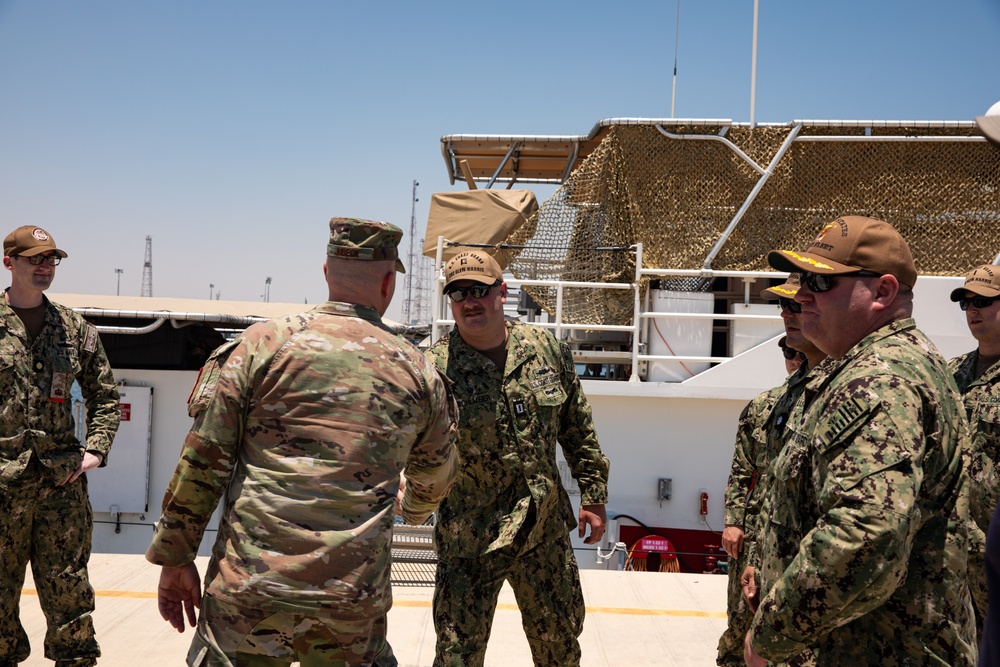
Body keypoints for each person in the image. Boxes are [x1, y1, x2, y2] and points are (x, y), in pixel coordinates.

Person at [145, 218, 458, 666]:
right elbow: (435, 476)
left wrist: (175, 558)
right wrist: (414, 509)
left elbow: (203, 461)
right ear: (389, 282)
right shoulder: (418, 370)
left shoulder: (260, 345)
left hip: (248, 591)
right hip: (349, 600)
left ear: (327, 272)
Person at [744, 216, 977, 666]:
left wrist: (773, 631)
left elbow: (866, 531)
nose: (802, 293)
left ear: (883, 293)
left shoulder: (880, 380)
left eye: (821, 281)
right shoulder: (884, 365)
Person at [426, 249, 610, 667]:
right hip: (469, 538)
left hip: (542, 532)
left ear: (501, 292)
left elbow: (577, 428)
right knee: (456, 657)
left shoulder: (545, 349)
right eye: (458, 294)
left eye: (479, 290)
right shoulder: (434, 369)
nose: (469, 301)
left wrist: (594, 496)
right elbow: (415, 447)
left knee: (560, 650)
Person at [0, 226, 121, 667]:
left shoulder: (73, 328)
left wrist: (97, 449)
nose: (45, 266)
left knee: (70, 599)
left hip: (60, 489)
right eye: (35, 259)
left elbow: (105, 395)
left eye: (51, 260)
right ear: (9, 262)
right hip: (2, 489)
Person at [717, 276, 824, 667]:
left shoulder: (844, 386)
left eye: (795, 305)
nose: (786, 315)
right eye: (783, 307)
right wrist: (738, 529)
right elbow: (744, 472)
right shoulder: (774, 403)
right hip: (762, 547)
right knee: (740, 635)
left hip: (810, 561)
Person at [949, 264, 1000, 640]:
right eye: (966, 302)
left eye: (982, 301)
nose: (972, 310)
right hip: (949, 547)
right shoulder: (949, 374)